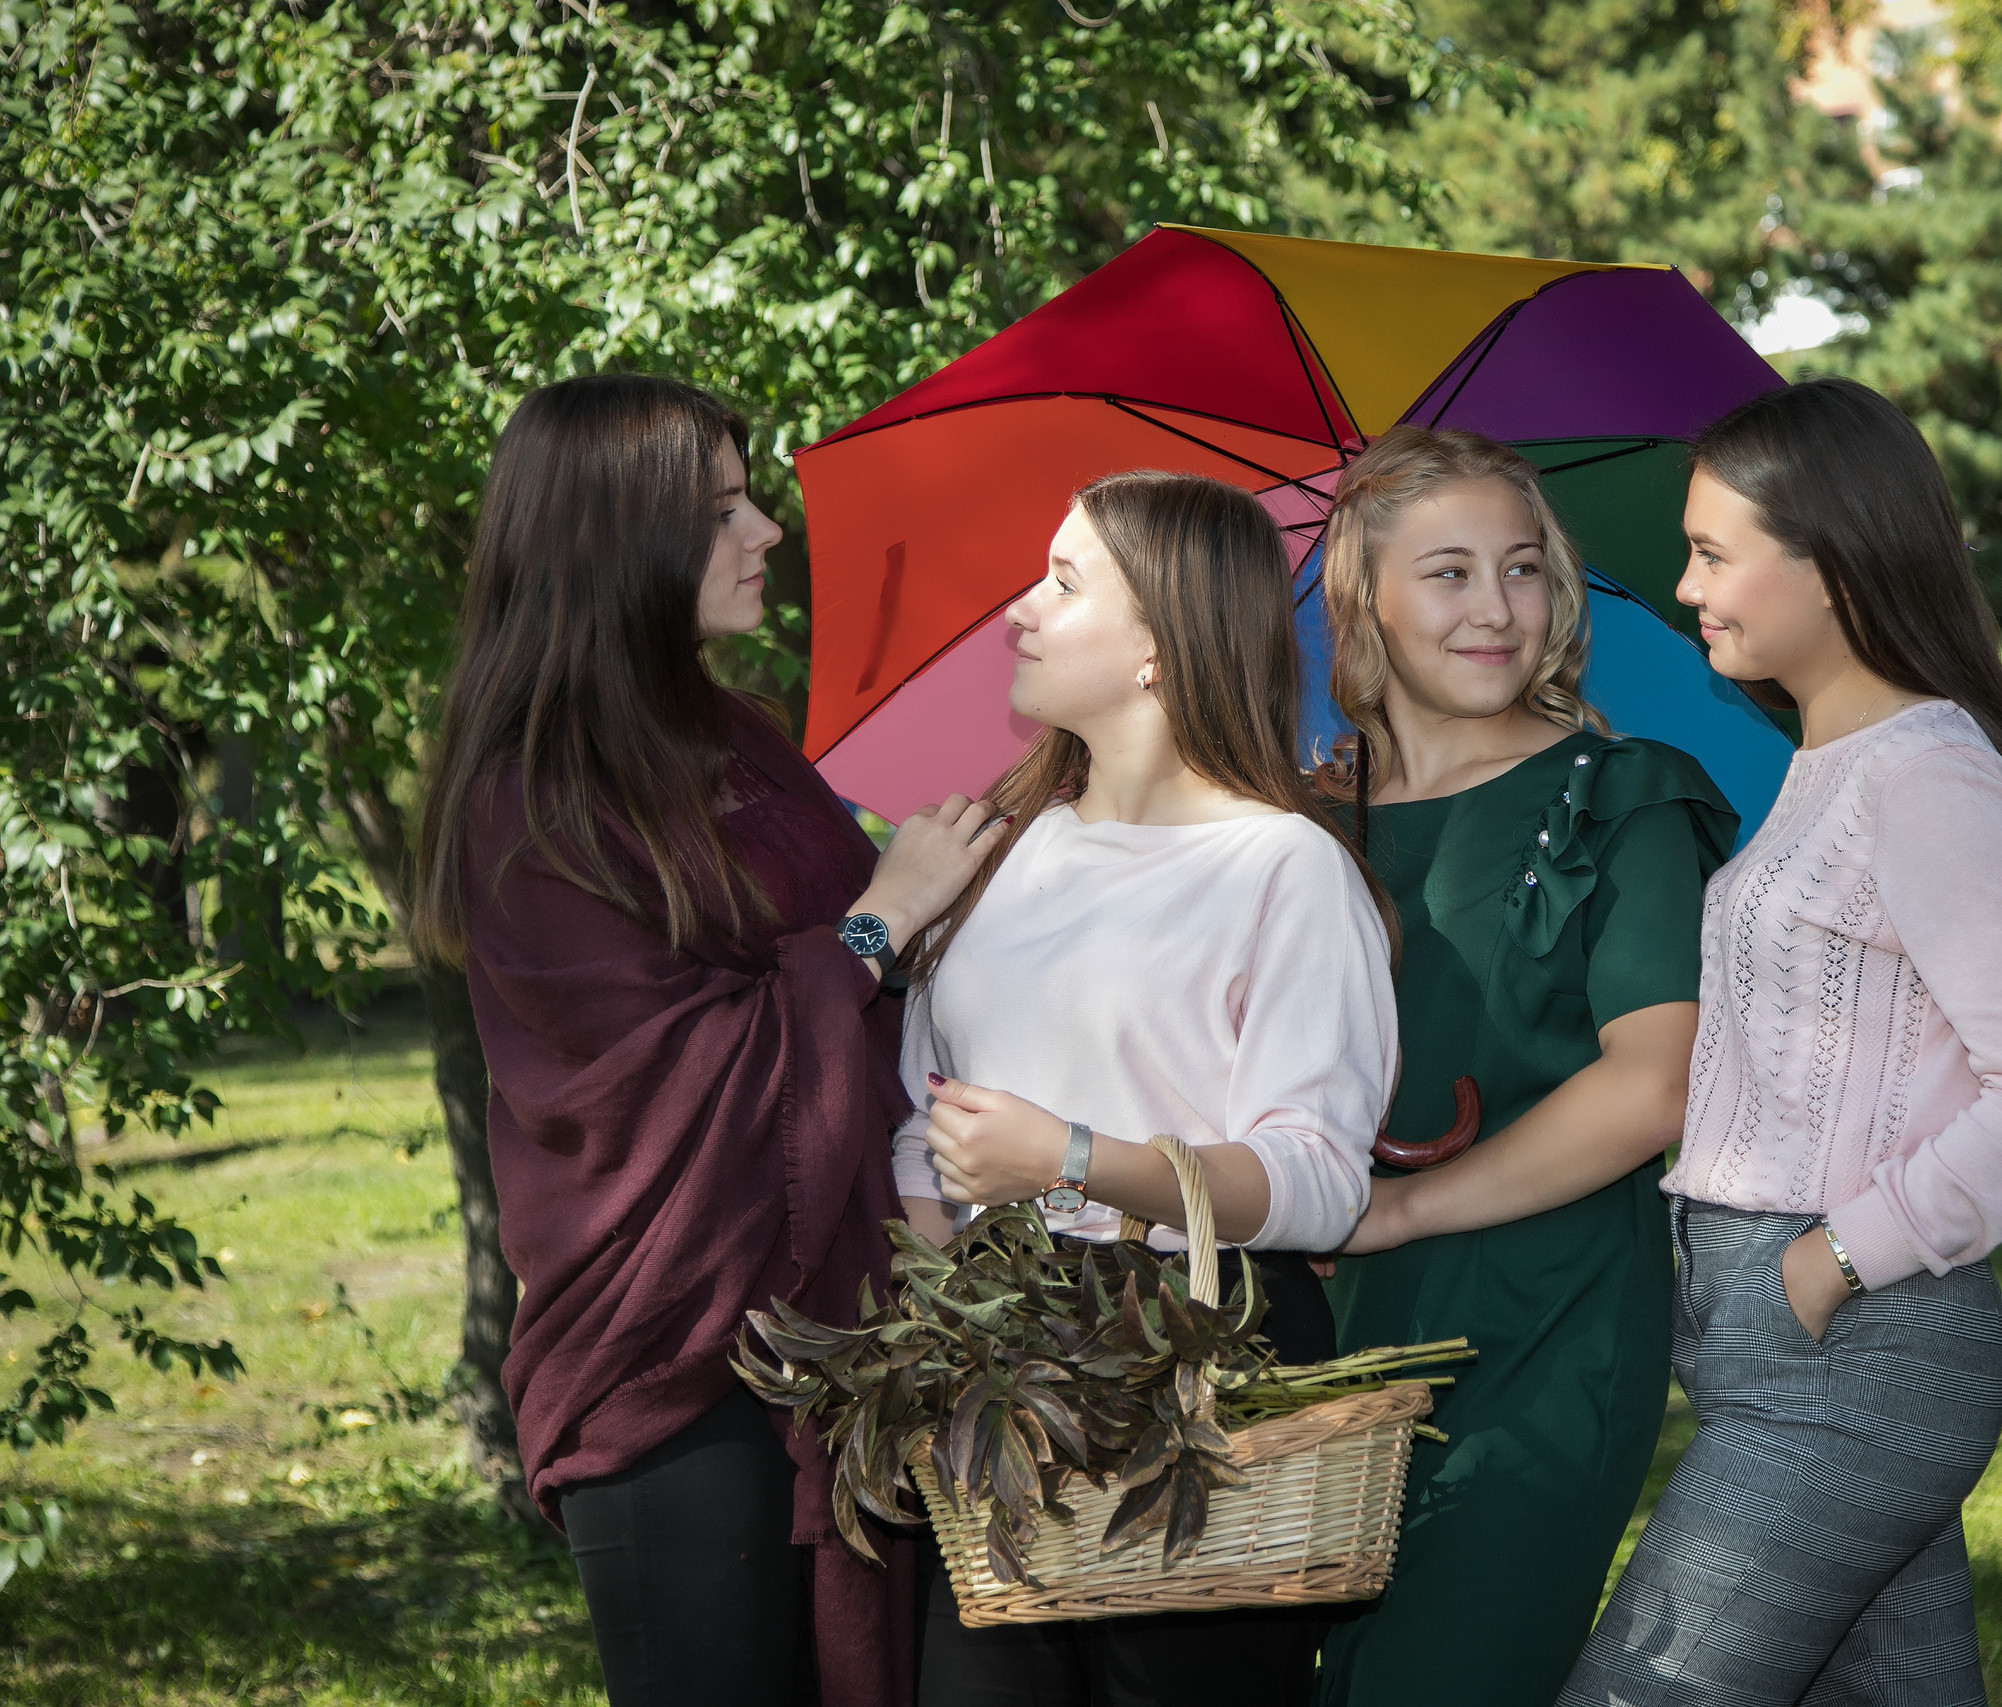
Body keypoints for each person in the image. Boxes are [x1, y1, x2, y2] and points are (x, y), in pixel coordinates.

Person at [412, 376, 1000, 1705]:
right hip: (668, 1354)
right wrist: (881, 918)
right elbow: (666, 1083)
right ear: (616, 544)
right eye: (721, 509)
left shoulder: (732, 733)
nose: (765, 534)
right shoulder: (532, 795)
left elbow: (864, 979)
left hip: (829, 1326)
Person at [1561, 378, 2002, 1707]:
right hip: (1782, 1327)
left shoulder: (1927, 773)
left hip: (1858, 1337)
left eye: (1712, 552)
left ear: (1833, 556)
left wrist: (1828, 1262)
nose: (1687, 585)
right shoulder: (1827, 762)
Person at [889, 470, 1398, 1707]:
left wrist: (1070, 1156)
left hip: (1202, 1368)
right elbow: (926, 1110)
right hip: (1002, 1375)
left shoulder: (1281, 867)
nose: (1019, 608)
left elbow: (1322, 1186)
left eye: (1062, 583)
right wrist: (943, 1265)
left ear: (1160, 648)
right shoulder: (998, 848)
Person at [1310, 427, 1736, 1707]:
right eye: (1447, 573)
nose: (1496, 609)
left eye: (1523, 569)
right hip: (1303, 1324)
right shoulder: (1283, 825)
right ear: (1362, 597)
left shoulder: (1628, 796)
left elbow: (1653, 1084)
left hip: (1541, 1325)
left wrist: (1398, 1210)